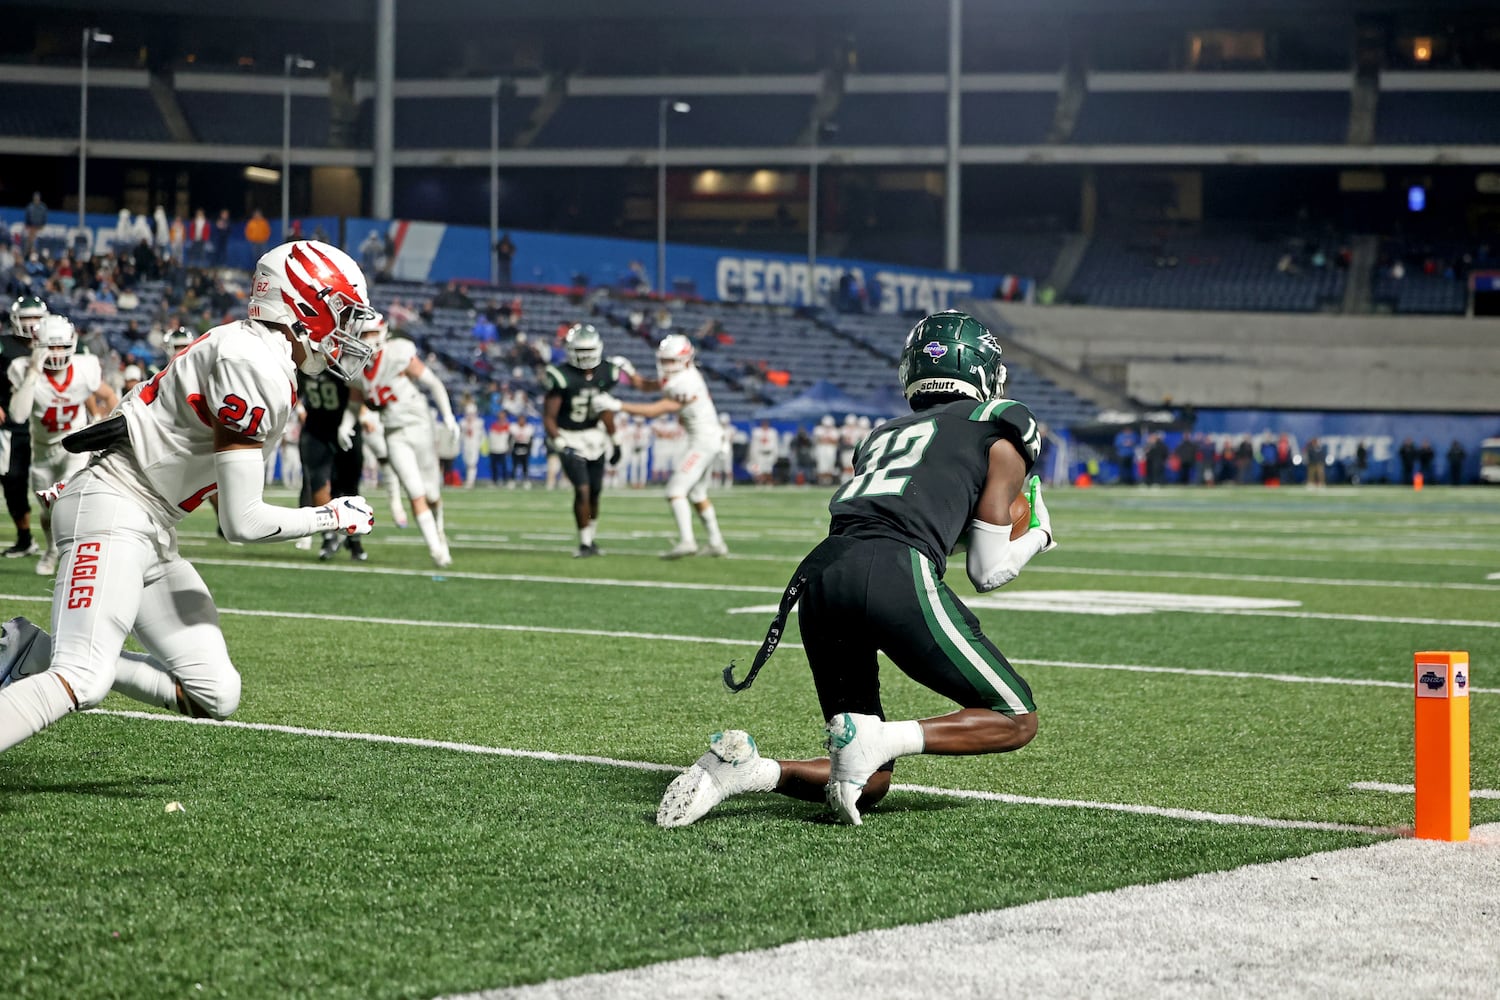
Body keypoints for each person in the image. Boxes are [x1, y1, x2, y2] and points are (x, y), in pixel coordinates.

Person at [654, 310, 1053, 828]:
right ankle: (881, 738)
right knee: (1016, 718)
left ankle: (746, 772)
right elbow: (988, 570)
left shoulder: (883, 435)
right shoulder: (996, 431)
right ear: (983, 370)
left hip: (822, 576)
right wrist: (1040, 532)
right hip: (892, 570)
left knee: (869, 782)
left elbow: (909, 513)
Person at [0, 240, 377, 755]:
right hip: (114, 505)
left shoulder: (259, 354)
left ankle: (33, 652)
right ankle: (52, 659)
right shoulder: (255, 364)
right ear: (302, 304)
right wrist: (329, 514)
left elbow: (221, 494)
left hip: (150, 524)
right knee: (84, 676)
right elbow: (241, 523)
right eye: (342, 313)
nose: (349, 332)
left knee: (214, 693)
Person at [338, 314, 457, 568]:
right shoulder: (355, 366)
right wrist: (346, 425)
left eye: (370, 334)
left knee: (432, 493)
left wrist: (448, 416)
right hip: (392, 432)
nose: (367, 340)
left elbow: (434, 383)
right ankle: (436, 551)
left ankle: (440, 533)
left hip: (420, 426)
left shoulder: (398, 352)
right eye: (362, 335)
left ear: (382, 333)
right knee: (414, 491)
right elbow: (355, 402)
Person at [595, 334, 728, 559]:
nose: (666, 365)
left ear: (685, 360)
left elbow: (657, 409)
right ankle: (717, 543)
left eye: (670, 361)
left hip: (703, 441)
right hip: (707, 438)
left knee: (675, 490)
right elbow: (647, 386)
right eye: (664, 360)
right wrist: (630, 372)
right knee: (697, 493)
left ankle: (688, 541)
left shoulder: (685, 382)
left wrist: (617, 404)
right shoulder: (678, 375)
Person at [5, 315, 119, 575]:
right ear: (38, 345)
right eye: (50, 346)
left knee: (67, 499)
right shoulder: (23, 368)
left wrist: (114, 425)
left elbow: (109, 395)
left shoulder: (84, 368)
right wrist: (34, 371)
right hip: (42, 452)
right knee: (48, 513)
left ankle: (74, 554)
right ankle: (52, 549)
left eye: (60, 346)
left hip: (75, 446)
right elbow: (19, 414)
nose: (55, 352)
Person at [542, 324, 627, 558]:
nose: (586, 356)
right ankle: (584, 542)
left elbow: (605, 410)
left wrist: (616, 440)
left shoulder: (605, 372)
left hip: (595, 436)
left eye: (589, 350)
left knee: (596, 491)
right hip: (570, 437)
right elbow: (549, 417)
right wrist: (560, 443)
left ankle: (592, 538)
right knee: (583, 490)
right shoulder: (561, 375)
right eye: (581, 351)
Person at [298, 352, 369, 561]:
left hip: (344, 428)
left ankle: (354, 539)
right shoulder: (302, 362)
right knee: (317, 482)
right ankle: (329, 535)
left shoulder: (345, 363)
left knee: (349, 486)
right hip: (316, 428)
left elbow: (358, 395)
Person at [2, 296, 49, 558]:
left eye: (35, 319)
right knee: (13, 481)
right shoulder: (4, 345)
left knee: (56, 483)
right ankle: (25, 538)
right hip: (14, 427)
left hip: (50, 427)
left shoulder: (56, 342)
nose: (31, 325)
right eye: (26, 318)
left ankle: (59, 540)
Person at [459, 400, 484, 488]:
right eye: (468, 413)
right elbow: (461, 434)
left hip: (474, 445)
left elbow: (481, 435)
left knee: (472, 463)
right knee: (467, 463)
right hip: (466, 445)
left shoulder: (479, 422)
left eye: (472, 413)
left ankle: (470, 481)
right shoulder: (463, 422)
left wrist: (481, 445)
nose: (470, 416)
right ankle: (468, 479)